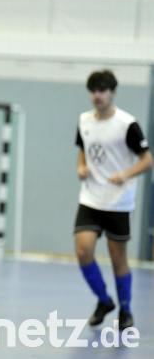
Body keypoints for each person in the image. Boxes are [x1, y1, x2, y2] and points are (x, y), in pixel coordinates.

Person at [74, 69, 152, 332]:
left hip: (118, 202)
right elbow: (83, 149)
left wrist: (125, 175)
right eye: (93, 90)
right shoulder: (84, 120)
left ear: (112, 92)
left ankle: (126, 309)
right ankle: (103, 300)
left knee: (118, 259)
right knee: (83, 250)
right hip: (90, 198)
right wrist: (82, 167)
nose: (97, 95)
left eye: (102, 90)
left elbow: (147, 160)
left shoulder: (127, 124)